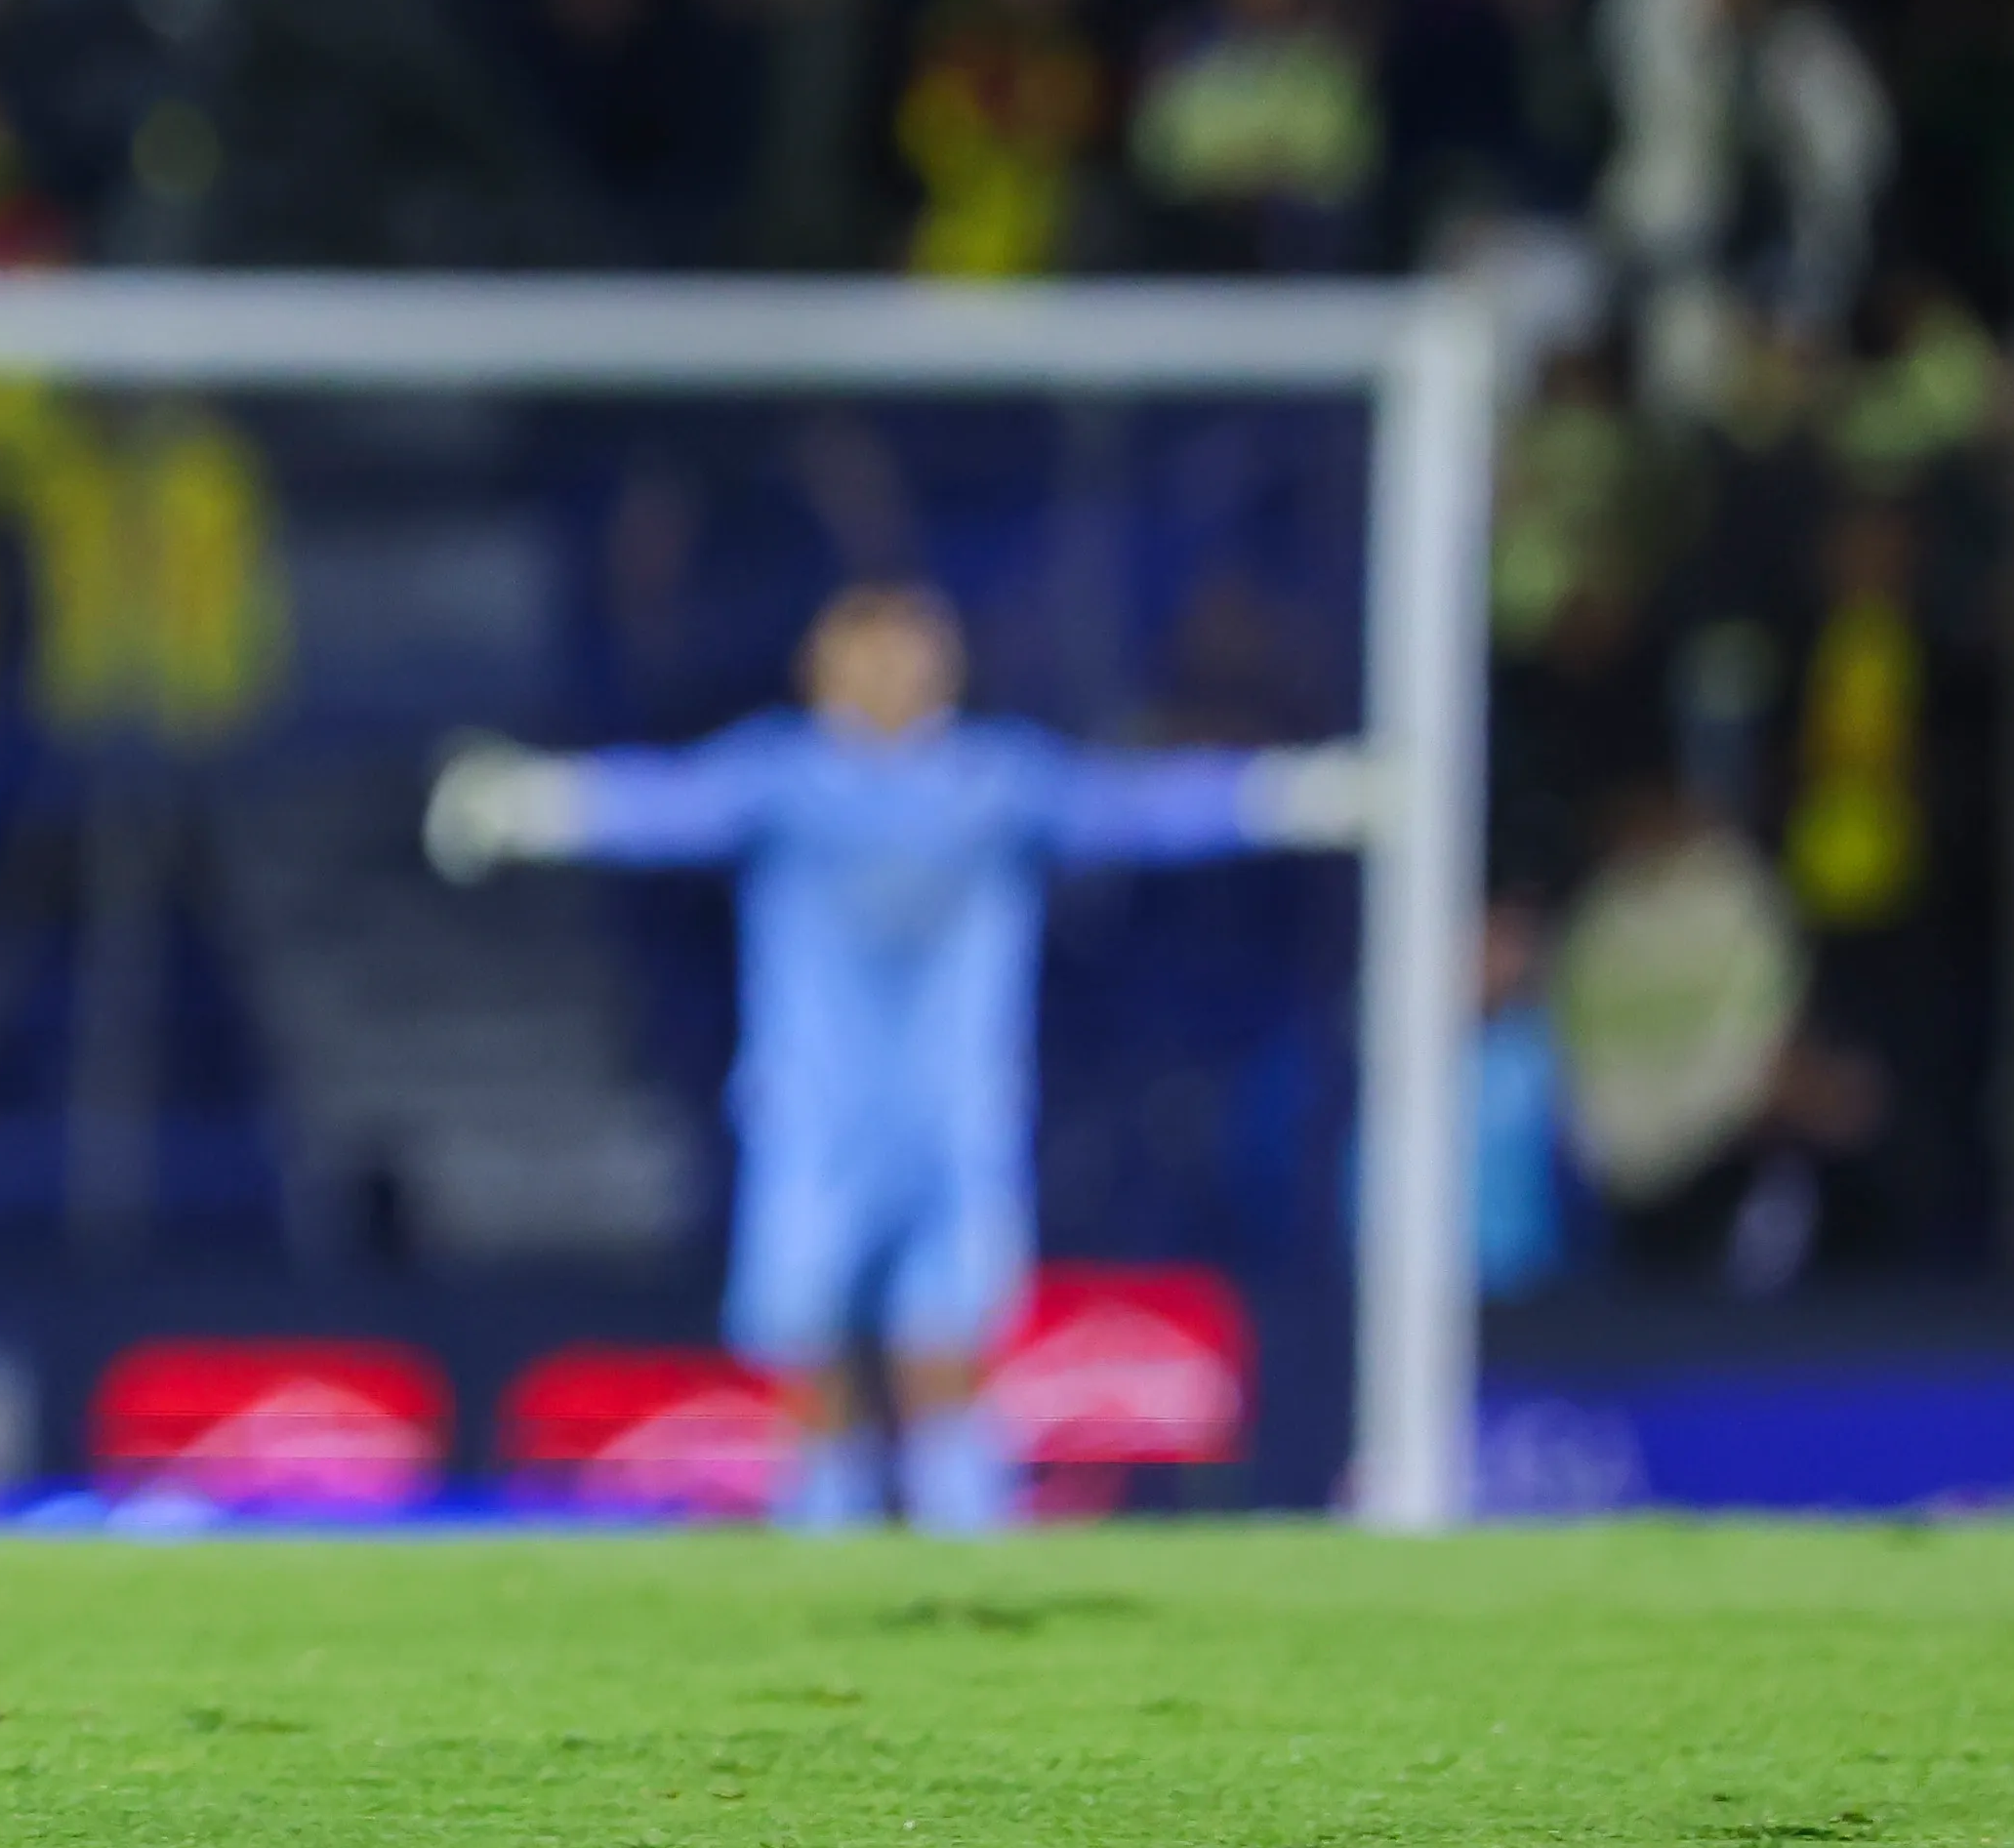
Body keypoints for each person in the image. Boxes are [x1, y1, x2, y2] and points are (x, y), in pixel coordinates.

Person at [427, 580, 1369, 1532]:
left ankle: (963, 1529)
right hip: (815, 1112)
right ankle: (825, 1522)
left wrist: (1281, 792)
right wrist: (527, 803)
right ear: (821, 669)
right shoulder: (783, 777)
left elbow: (1136, 805)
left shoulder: (994, 778)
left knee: (946, 1333)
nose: (889, 670)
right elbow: (656, 804)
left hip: (956, 1113)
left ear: (945, 665)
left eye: (909, 649)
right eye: (865, 651)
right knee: (808, 1336)